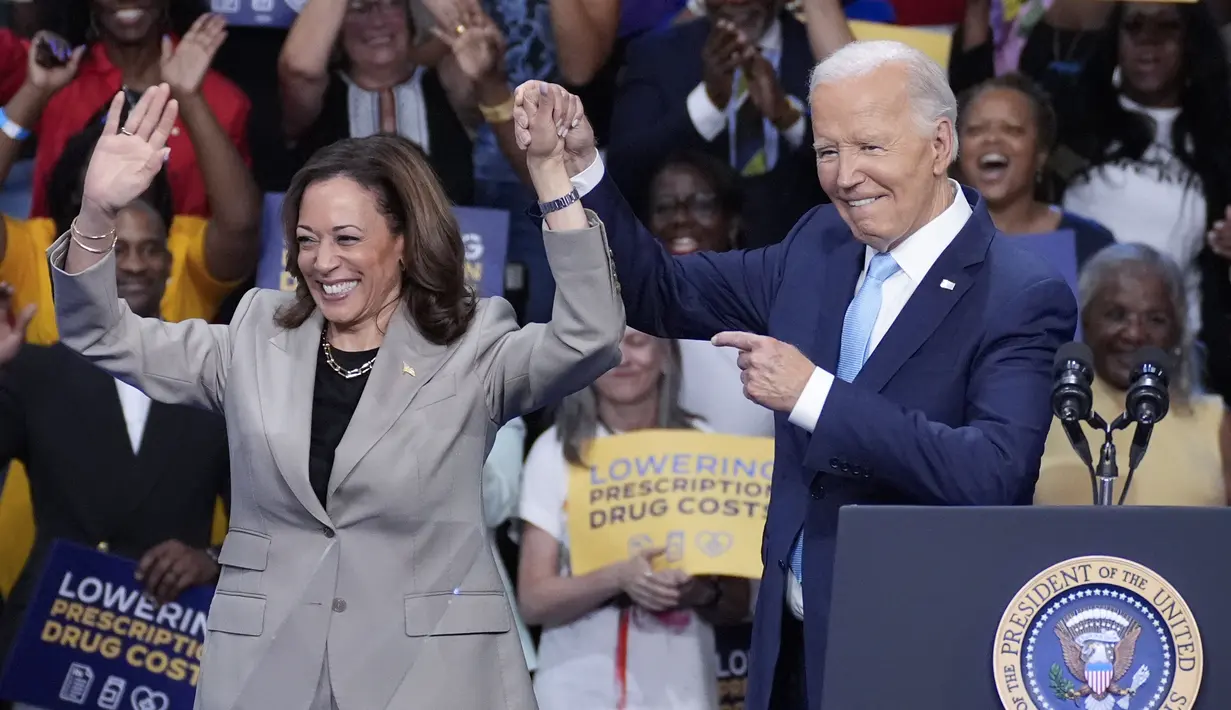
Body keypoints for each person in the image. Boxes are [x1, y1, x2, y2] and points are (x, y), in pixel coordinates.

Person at [512, 39, 1078, 709]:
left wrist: (813, 394)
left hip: (920, 650)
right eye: (826, 151)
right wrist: (582, 171)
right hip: (788, 650)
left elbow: (993, 473)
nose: (843, 177)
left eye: (868, 147)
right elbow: (659, 292)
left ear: (938, 143)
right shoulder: (819, 242)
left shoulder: (1017, 292)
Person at [42, 82, 624, 709]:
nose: (321, 261)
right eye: (307, 239)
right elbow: (98, 331)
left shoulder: (474, 346)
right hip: (268, 675)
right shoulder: (255, 336)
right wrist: (96, 211)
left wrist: (551, 178)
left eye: (346, 238)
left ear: (402, 242)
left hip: (431, 676)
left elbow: (590, 337)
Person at [517, 327, 751, 710]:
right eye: (610, 347)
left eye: (639, 343)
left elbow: (737, 603)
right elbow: (533, 599)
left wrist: (695, 591)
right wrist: (618, 576)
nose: (623, 358)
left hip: (681, 689)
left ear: (666, 357)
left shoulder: (704, 447)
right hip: (576, 689)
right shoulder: (556, 452)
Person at [0, 4, 249, 218]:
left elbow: (240, 229)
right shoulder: (52, 77)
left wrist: (190, 99)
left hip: (176, 269)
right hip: (54, 265)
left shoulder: (222, 102)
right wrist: (34, 92)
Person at [1036, 244, 1231, 506]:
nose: (1134, 334)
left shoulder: (1215, 422)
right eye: (1116, 315)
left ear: (1177, 331)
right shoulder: (1040, 411)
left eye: (1155, 319)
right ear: (1085, 319)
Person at [956, 73, 1114, 268]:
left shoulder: (1089, 244)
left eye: (1012, 130)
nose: (992, 139)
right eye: (976, 130)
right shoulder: (922, 239)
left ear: (1041, 154)